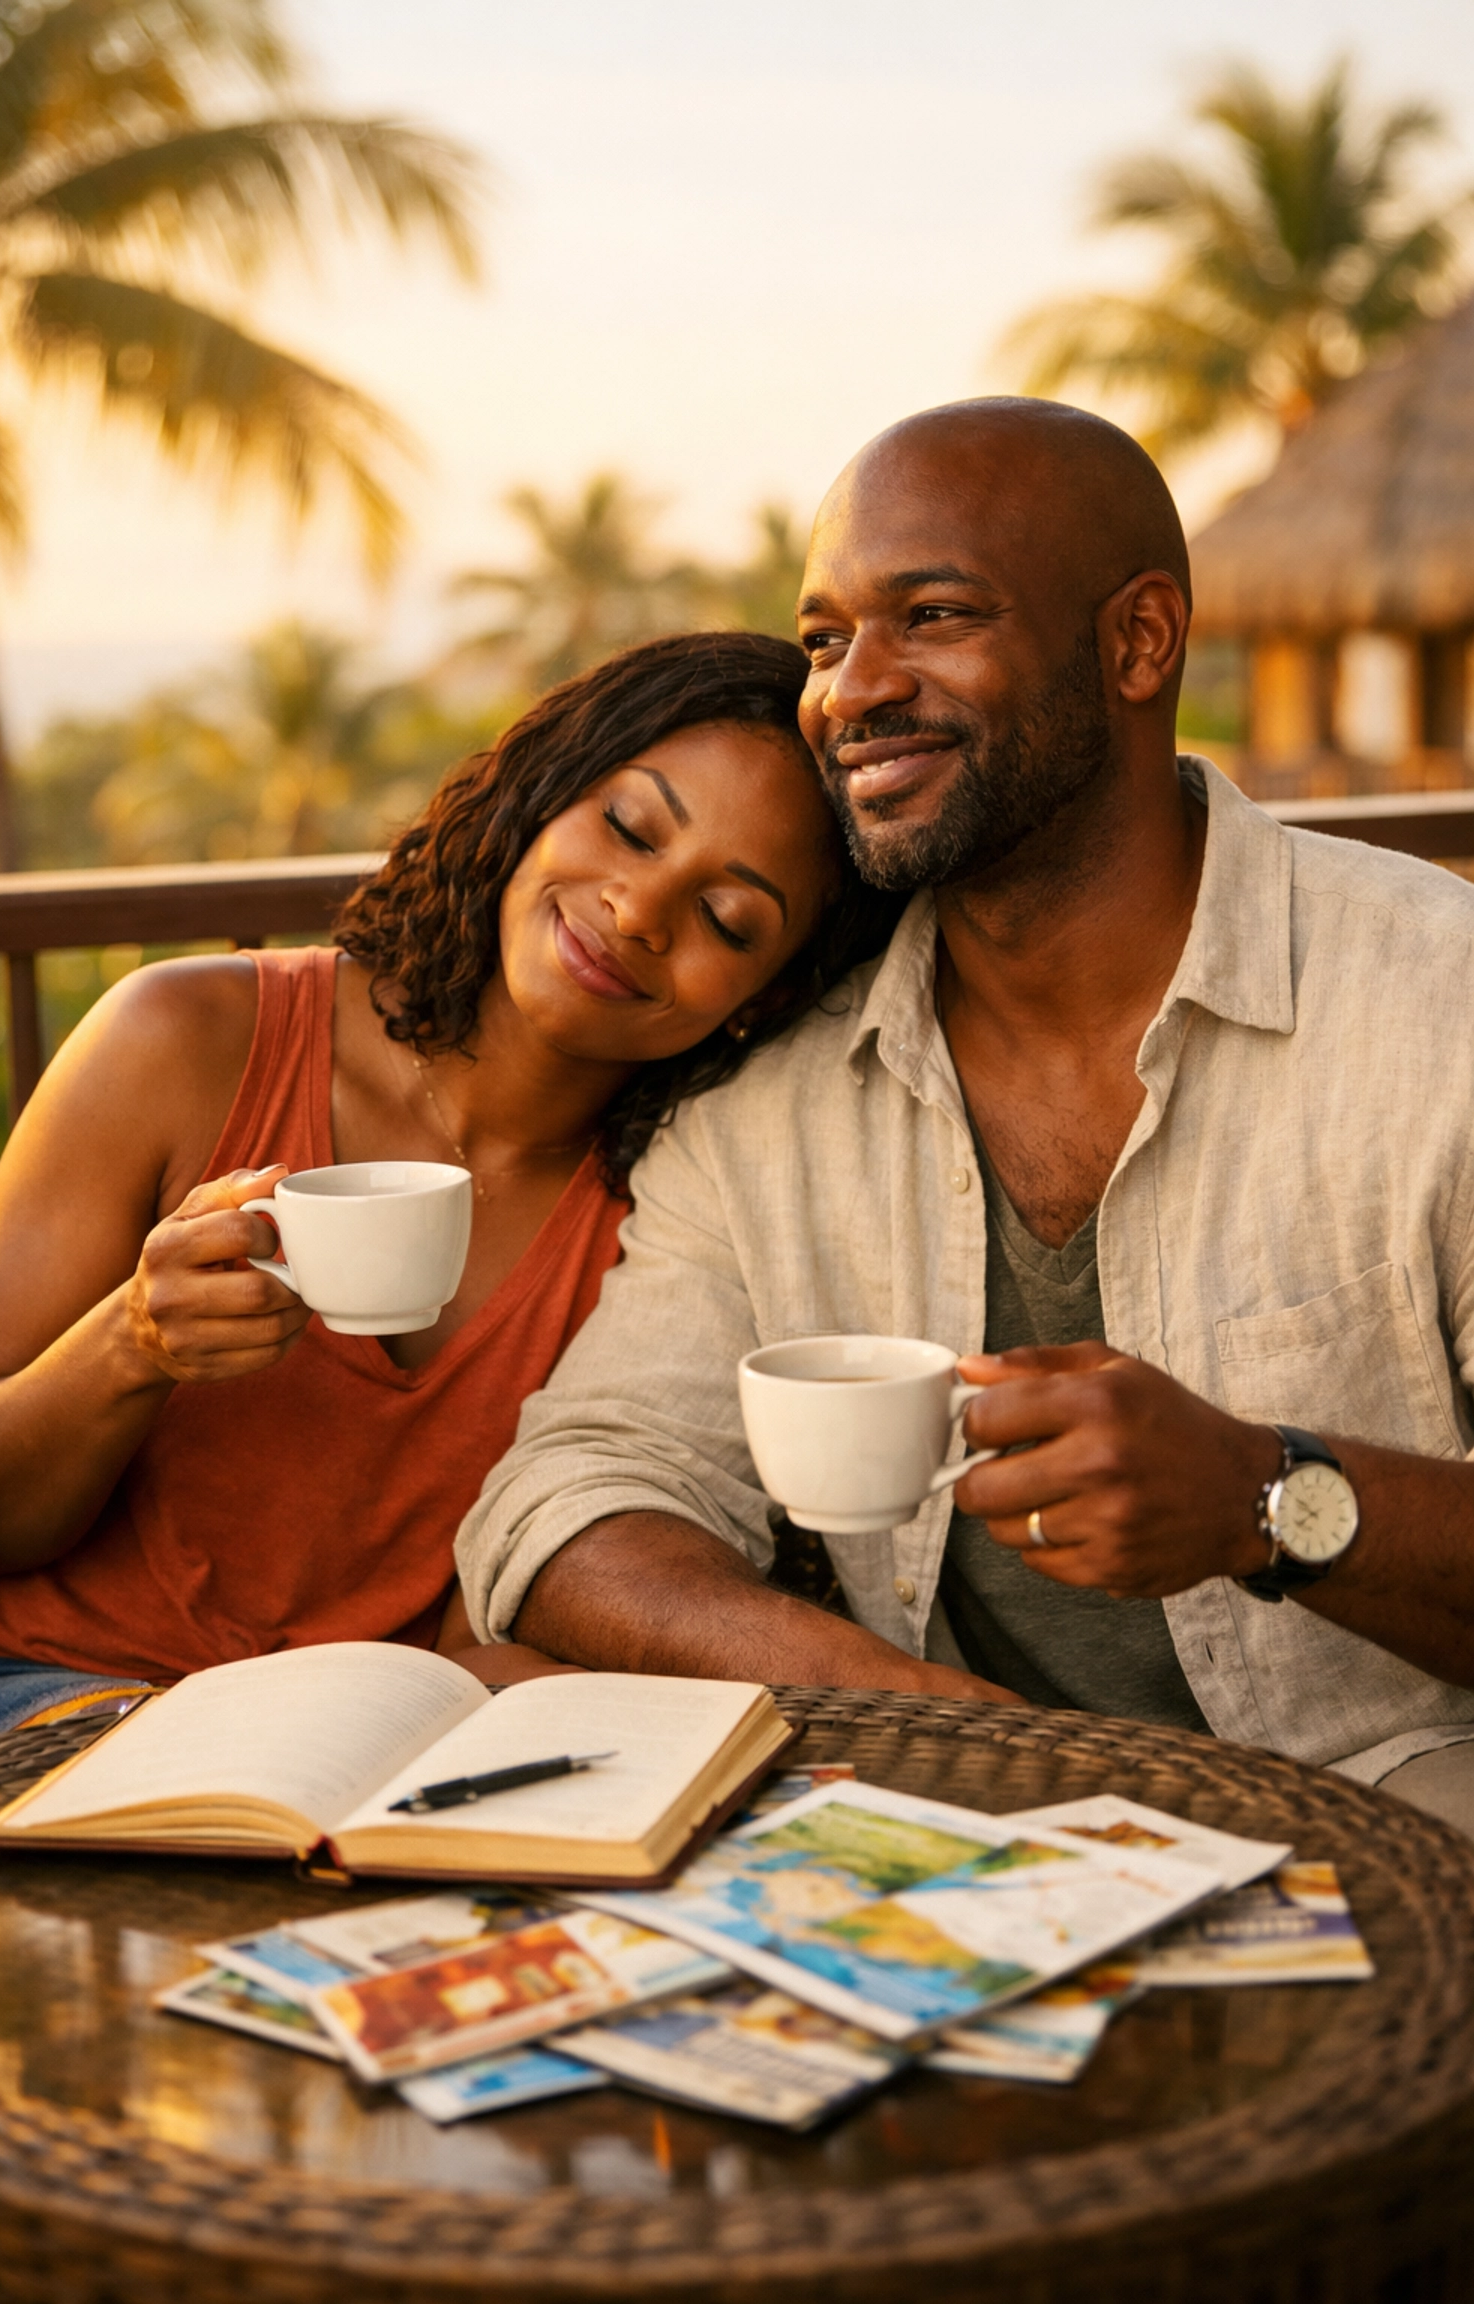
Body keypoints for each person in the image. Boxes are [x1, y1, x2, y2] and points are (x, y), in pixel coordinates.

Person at [457, 397, 1474, 1833]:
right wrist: (918, 1717)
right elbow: (571, 1501)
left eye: (931, 615)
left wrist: (1270, 1498)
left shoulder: (1441, 1009)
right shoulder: (773, 1107)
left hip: (1400, 1812)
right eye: (823, 639)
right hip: (952, 1835)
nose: (851, 691)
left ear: (1137, 643)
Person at [0, 630, 900, 1742]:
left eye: (729, 921)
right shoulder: (185, 1039)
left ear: (761, 999)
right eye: (628, 828)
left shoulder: (675, 1222)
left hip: (351, 1755)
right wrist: (132, 1345)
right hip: (13, 1690)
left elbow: (475, 1637)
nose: (638, 912)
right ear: (538, 795)